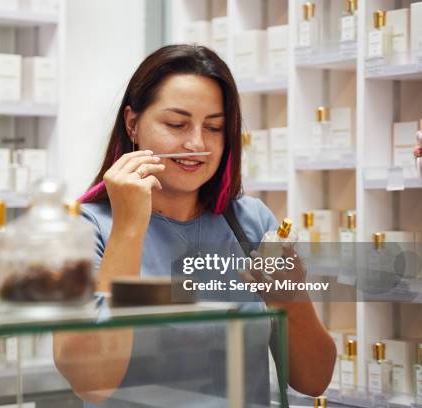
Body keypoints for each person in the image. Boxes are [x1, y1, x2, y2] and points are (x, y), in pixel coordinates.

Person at [53, 44, 336, 407]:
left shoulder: (251, 223)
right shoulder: (83, 230)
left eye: (214, 127)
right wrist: (128, 227)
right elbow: (91, 383)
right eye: (176, 124)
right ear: (132, 124)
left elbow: (313, 380)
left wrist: (291, 298)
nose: (196, 144)